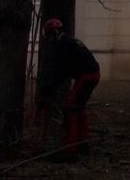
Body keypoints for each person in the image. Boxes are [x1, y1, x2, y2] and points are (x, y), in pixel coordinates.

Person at [37, 18, 101, 157]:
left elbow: (62, 70)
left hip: (86, 76)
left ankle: (70, 149)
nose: (50, 40)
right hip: (92, 74)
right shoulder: (70, 41)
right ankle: (82, 143)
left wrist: (51, 87)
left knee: (70, 108)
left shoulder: (63, 45)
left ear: (54, 32)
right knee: (79, 107)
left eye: (49, 36)